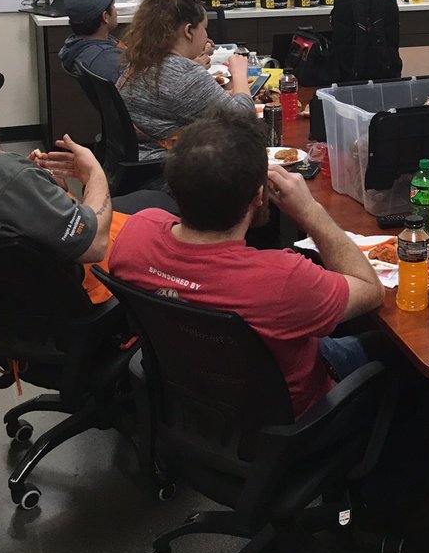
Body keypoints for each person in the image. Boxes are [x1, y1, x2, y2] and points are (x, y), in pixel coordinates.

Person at [109, 106, 384, 417]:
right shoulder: (284, 280)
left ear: (174, 186)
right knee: (382, 346)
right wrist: (312, 213)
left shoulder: (135, 235)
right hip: (287, 430)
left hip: (188, 398)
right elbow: (370, 290)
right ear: (258, 196)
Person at [0, 121, 174, 304]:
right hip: (91, 283)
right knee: (163, 208)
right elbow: (95, 246)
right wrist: (95, 174)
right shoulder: (6, 172)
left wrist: (38, 185)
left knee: (150, 198)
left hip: (20, 289)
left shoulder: (9, 174)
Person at [119, 0, 253, 160]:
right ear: (189, 31)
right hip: (167, 168)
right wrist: (239, 74)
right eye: (204, 28)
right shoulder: (185, 74)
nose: (207, 36)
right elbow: (244, 122)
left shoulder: (140, 61)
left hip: (137, 160)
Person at [58, 0, 124, 82]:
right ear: (105, 16)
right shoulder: (108, 61)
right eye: (113, 5)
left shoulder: (74, 46)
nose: (116, 12)